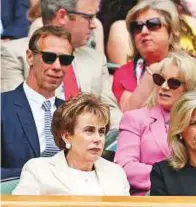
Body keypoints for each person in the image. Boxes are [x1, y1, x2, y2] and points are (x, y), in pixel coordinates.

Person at [1, 0, 122, 130]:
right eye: (89, 17)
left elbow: (112, 114)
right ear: (62, 16)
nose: (94, 25)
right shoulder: (13, 53)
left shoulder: (95, 60)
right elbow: (14, 115)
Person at [112, 0, 196, 127]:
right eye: (137, 26)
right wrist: (151, 75)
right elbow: (129, 119)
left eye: (153, 24)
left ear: (171, 30)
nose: (144, 31)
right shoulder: (126, 73)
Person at [114, 52, 196, 195]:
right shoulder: (135, 119)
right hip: (150, 198)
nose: (164, 87)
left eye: (173, 83)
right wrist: (173, 178)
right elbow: (124, 167)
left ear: (191, 88)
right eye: (160, 79)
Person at [12, 93, 130, 196]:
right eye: (89, 130)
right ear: (67, 136)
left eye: (101, 132)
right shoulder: (38, 170)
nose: (97, 139)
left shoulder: (116, 173)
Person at [1, 25, 73, 179]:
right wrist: (40, 175)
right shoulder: (3, 106)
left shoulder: (73, 112)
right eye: (49, 57)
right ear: (30, 57)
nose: (57, 67)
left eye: (65, 60)